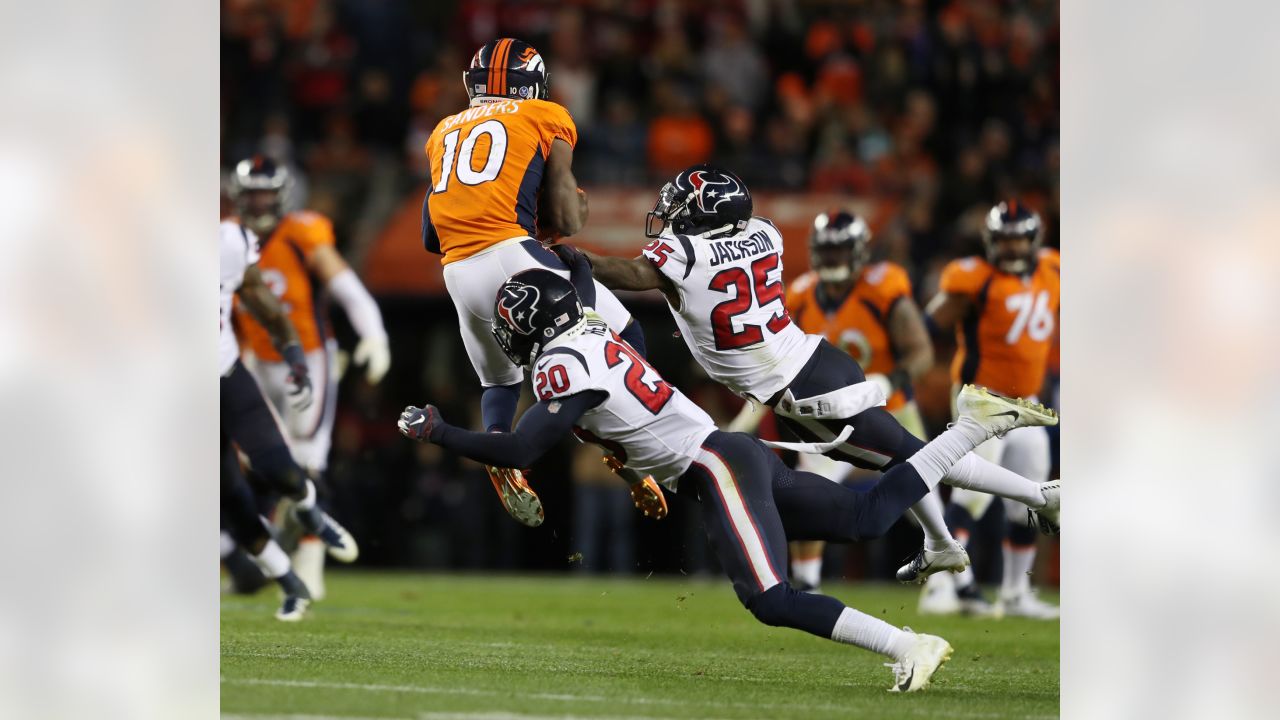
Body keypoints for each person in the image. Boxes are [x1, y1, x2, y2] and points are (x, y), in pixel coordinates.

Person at [397, 269, 1059, 691]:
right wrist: (637, 469)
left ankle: (907, 643)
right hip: (728, 455)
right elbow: (618, 401)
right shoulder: (594, 331)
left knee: (770, 597)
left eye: (511, 328)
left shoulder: (559, 366)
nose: (506, 338)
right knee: (866, 519)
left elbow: (520, 446)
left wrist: (437, 431)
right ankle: (970, 428)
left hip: (715, 465)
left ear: (531, 329)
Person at [556, 164, 1060, 587]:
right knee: (903, 458)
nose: (668, 221)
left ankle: (1035, 490)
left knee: (915, 460)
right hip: (816, 363)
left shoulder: (686, 256)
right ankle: (942, 542)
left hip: (806, 391)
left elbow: (633, 274)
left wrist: (569, 256)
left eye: (679, 213)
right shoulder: (765, 233)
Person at [420, 38, 659, 527]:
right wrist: (561, 215)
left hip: (457, 271)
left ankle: (496, 447)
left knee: (499, 382)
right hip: (515, 254)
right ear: (534, 83)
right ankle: (628, 450)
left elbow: (430, 232)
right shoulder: (545, 115)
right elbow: (568, 221)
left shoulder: (443, 130)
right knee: (623, 338)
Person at [229, 155, 390, 601]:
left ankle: (310, 557)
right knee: (256, 462)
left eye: (266, 191)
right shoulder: (228, 238)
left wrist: (374, 335)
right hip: (254, 362)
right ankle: (254, 558)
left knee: (306, 461)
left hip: (309, 359)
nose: (259, 200)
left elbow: (346, 287)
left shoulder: (302, 232)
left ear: (280, 194)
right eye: (252, 192)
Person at [771, 210, 936, 591]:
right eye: (826, 250)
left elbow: (921, 352)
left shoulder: (883, 287)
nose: (832, 258)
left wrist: (889, 379)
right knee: (807, 490)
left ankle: (954, 578)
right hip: (827, 416)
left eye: (840, 249)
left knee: (924, 490)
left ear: (859, 251)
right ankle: (807, 583)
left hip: (888, 406)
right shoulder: (797, 295)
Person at [921, 199, 1061, 619]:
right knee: (973, 495)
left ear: (1034, 240)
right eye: (1004, 240)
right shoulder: (975, 279)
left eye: (1019, 240)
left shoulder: (1055, 269)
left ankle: (1016, 593)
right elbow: (929, 324)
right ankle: (940, 585)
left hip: (1028, 405)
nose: (1012, 249)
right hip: (982, 401)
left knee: (1032, 498)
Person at [219, 220, 358, 620]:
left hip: (226, 375)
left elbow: (262, 299)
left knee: (279, 471)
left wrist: (294, 354)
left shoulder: (228, 243)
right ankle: (289, 583)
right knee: (231, 498)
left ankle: (311, 511)